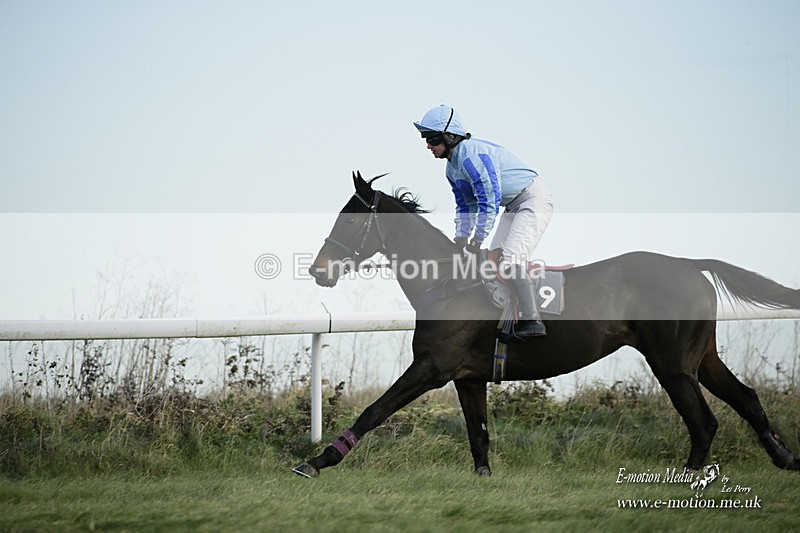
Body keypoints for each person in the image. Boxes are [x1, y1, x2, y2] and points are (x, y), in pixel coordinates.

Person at [413, 104, 554, 338]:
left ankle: (533, 321)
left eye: (432, 139)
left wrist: (477, 239)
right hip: (512, 206)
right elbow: (465, 206)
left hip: (532, 199)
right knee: (494, 261)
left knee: (509, 261)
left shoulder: (472, 155)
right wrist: (461, 236)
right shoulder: (452, 169)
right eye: (426, 139)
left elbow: (489, 200)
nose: (428, 145)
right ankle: (508, 318)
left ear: (450, 137)